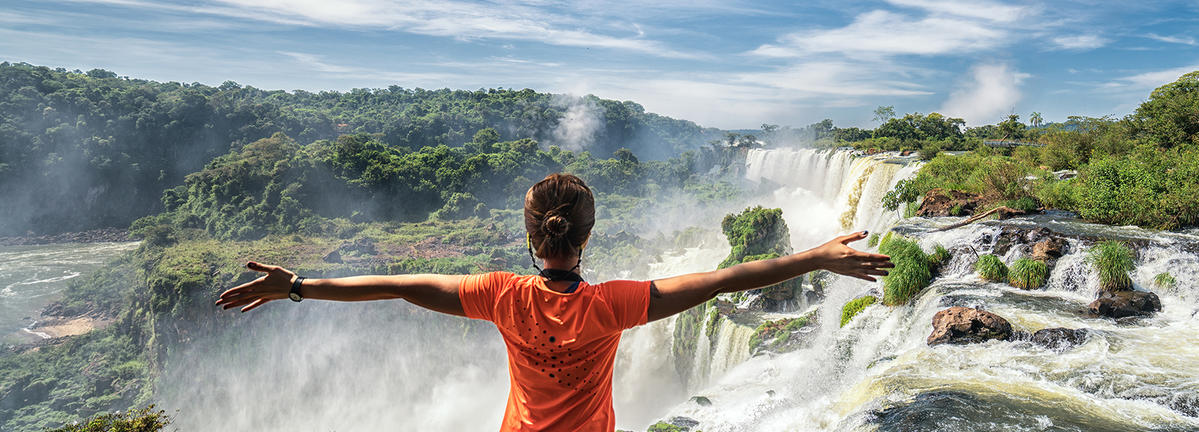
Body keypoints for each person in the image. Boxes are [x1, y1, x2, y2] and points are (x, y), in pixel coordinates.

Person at [216, 173, 892, 431]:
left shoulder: (497, 295)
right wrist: (815, 256)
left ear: (531, 234)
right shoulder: (616, 305)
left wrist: (296, 285)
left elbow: (394, 284)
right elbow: (724, 279)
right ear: (588, 235)